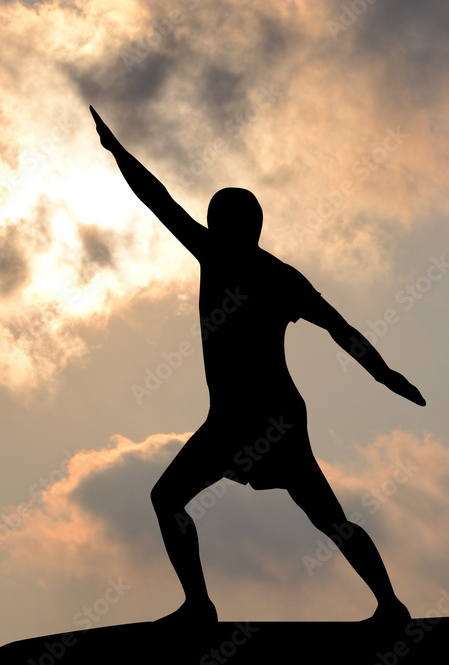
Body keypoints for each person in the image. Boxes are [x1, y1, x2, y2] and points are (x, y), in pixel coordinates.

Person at [90, 105, 425, 625]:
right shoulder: (263, 269)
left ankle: (387, 604)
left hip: (268, 419)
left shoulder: (234, 260)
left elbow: (160, 201)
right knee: (178, 499)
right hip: (246, 417)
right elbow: (343, 330)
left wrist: (384, 374)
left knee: (318, 515)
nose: (210, 226)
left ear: (237, 226)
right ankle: (204, 606)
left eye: (220, 220)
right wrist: (383, 375)